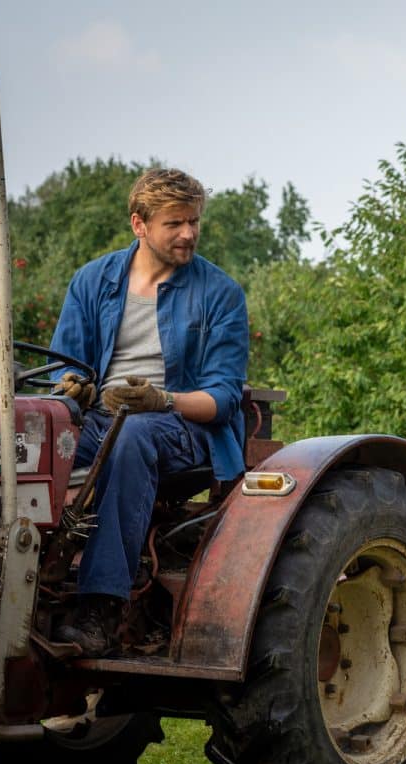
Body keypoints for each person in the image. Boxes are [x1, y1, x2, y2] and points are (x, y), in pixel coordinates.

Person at [49, 168, 249, 656]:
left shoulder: (220, 294)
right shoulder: (93, 281)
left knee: (134, 434)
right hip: (100, 420)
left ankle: (101, 608)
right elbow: (60, 368)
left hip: (186, 428)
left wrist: (163, 400)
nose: (189, 234)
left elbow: (223, 398)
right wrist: (72, 393)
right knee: (25, 436)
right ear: (139, 224)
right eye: (175, 223)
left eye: (194, 221)